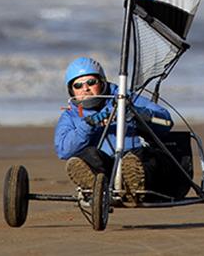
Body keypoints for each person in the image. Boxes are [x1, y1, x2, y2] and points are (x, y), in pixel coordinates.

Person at [54, 57, 173, 206]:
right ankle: (96, 186)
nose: (85, 89)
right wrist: (88, 125)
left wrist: (135, 113)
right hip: (106, 169)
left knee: (139, 157)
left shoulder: (124, 97)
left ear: (102, 82)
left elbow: (166, 121)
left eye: (91, 82)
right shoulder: (71, 114)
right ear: (71, 90)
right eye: (78, 85)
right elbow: (64, 150)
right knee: (88, 155)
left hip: (137, 159)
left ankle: (133, 186)